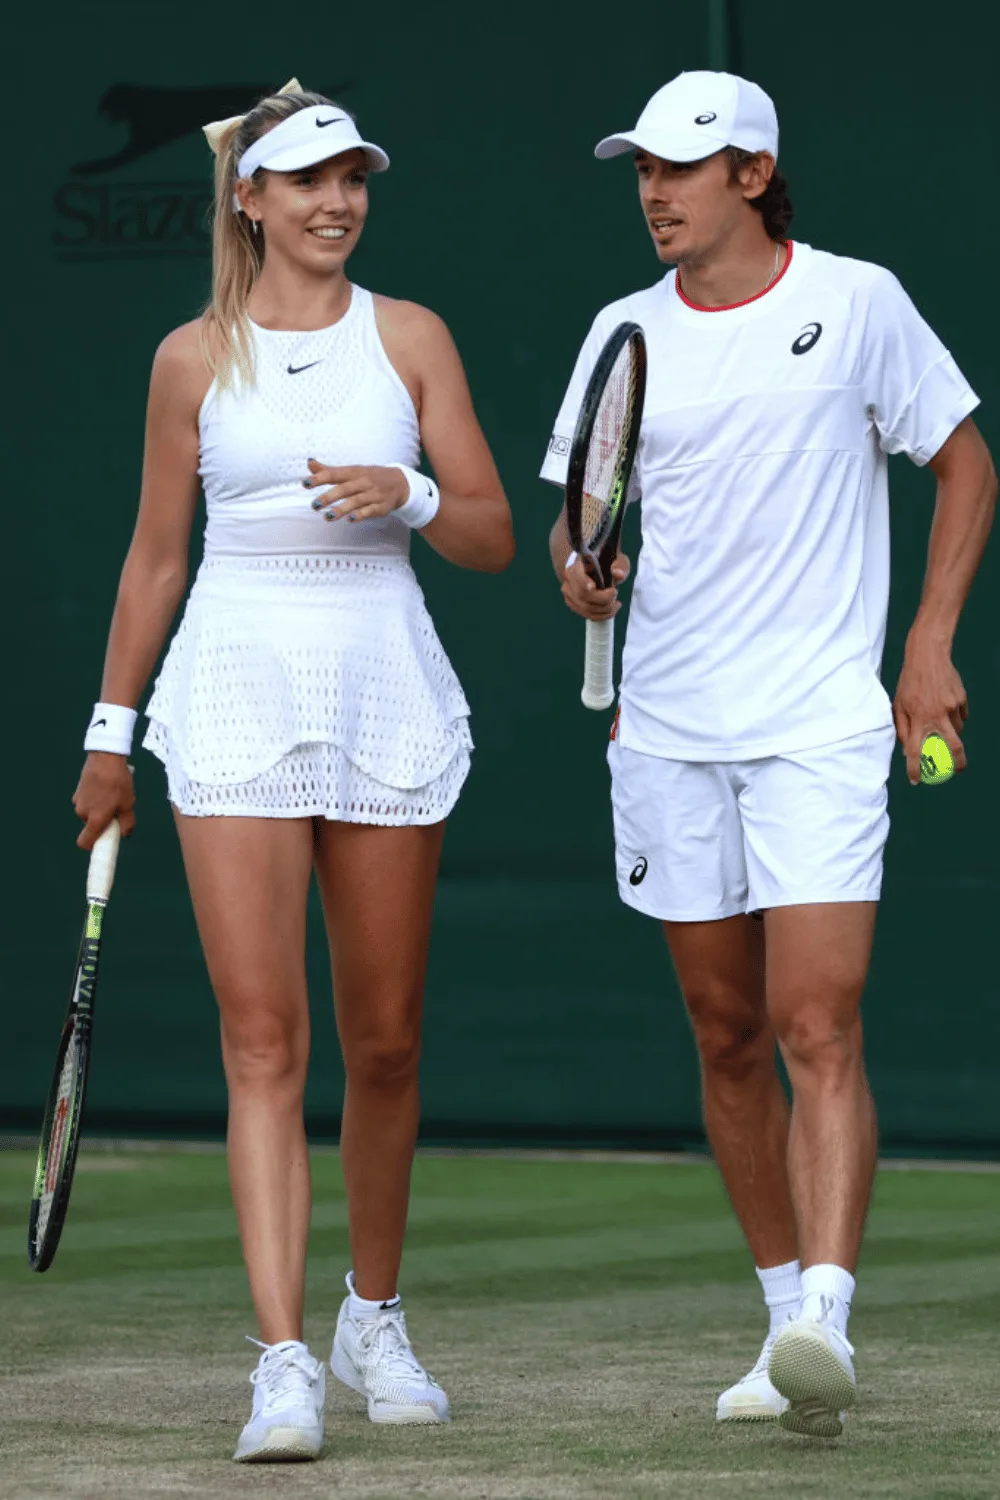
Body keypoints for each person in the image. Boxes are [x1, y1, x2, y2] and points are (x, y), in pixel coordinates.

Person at [541, 70, 995, 1439]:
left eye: (684, 168)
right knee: (727, 1035)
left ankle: (825, 1322)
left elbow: (966, 464)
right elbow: (582, 523)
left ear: (754, 173)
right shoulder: (622, 330)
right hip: (668, 732)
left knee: (816, 1020)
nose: (656, 192)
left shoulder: (856, 303)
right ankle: (783, 1314)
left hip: (818, 726)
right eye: (642, 171)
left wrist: (927, 644)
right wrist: (579, 573)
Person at [73, 79, 513, 1463]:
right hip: (234, 693)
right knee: (263, 1042)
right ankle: (279, 1362)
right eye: (311, 181)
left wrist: (417, 495)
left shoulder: (417, 339)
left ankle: (369, 1318)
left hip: (383, 685)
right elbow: (157, 557)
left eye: (355, 180)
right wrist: (108, 731)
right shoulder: (189, 360)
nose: (339, 202)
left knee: (383, 1043)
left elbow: (498, 534)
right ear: (249, 200)